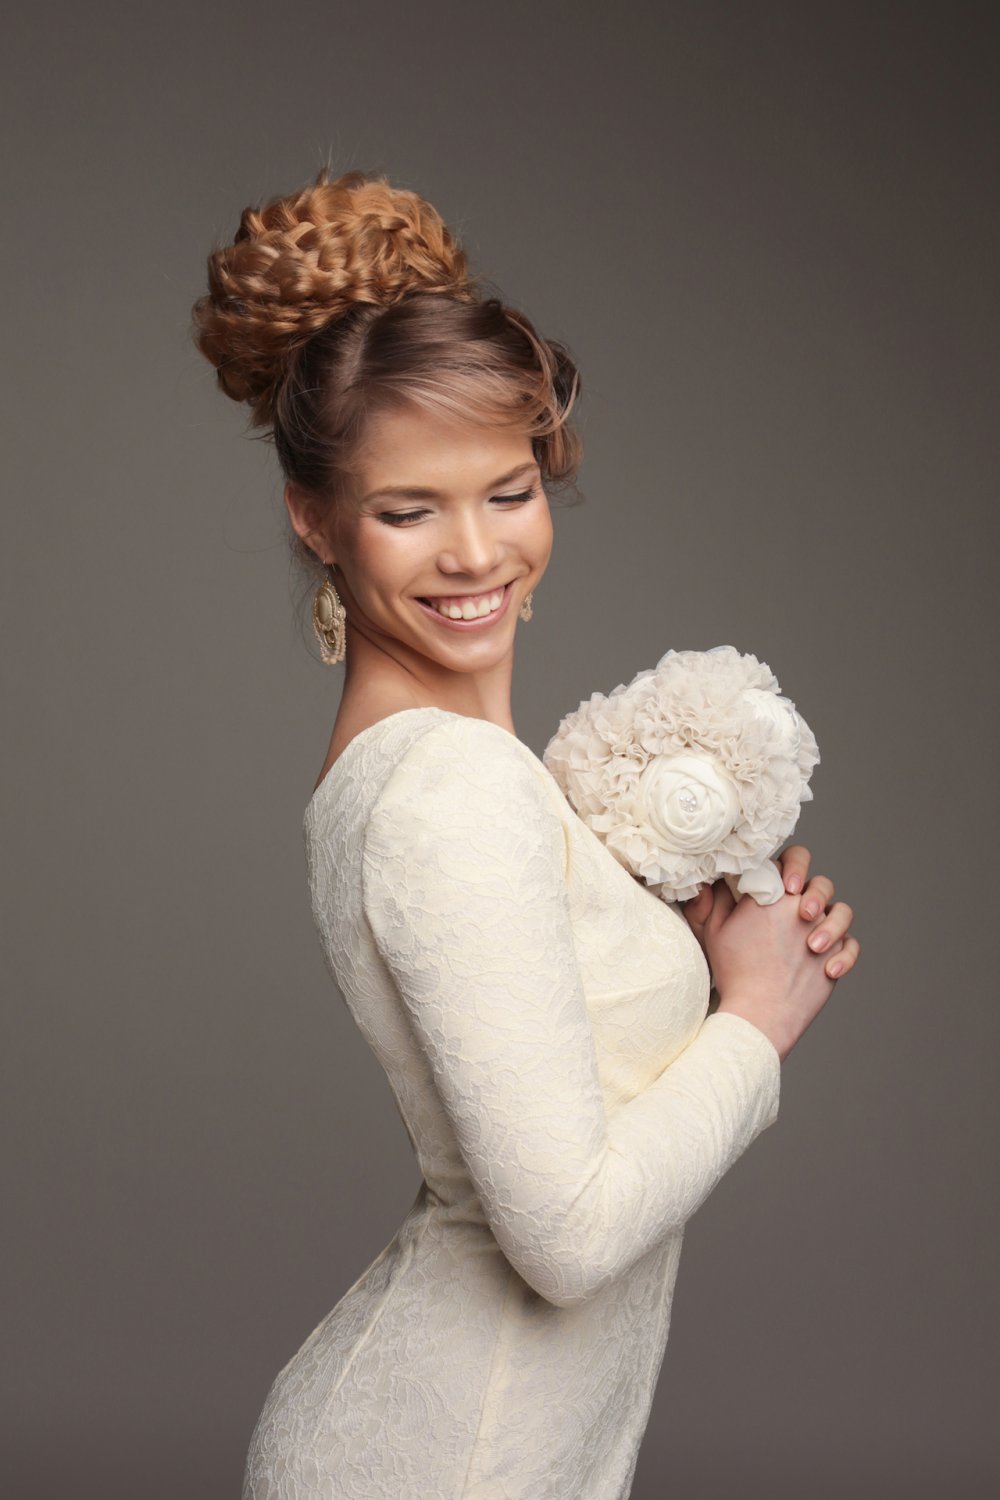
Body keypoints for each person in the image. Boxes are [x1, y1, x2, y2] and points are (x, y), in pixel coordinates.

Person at [191, 166, 861, 1500]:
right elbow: (564, 1236)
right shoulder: (454, 791)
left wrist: (677, 953)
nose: (474, 553)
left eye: (508, 491)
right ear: (315, 519)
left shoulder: (444, 774)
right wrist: (755, 1020)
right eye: (407, 510)